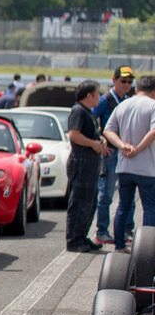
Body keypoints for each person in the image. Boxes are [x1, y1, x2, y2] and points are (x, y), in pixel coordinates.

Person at [103, 74, 155, 254]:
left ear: (137, 88)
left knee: (123, 206)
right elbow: (154, 131)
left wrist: (122, 145)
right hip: (147, 167)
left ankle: (119, 245)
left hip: (124, 166)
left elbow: (108, 131)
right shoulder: (153, 105)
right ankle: (146, 249)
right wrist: (138, 148)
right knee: (149, 207)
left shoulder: (122, 105)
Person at [93, 66, 136, 245]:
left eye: (129, 82)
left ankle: (127, 229)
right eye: (123, 81)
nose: (126, 84)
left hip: (125, 152)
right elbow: (90, 118)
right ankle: (102, 231)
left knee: (129, 195)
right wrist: (100, 137)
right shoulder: (105, 100)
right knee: (106, 194)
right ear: (114, 80)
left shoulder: (128, 100)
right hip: (110, 152)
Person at [66, 80, 106, 252]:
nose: (99, 97)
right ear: (89, 95)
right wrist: (93, 144)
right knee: (80, 201)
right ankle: (74, 239)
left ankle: (81, 236)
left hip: (90, 164)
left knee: (89, 202)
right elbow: (74, 135)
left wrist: (100, 140)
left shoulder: (87, 112)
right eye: (97, 94)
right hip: (81, 163)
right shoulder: (78, 111)